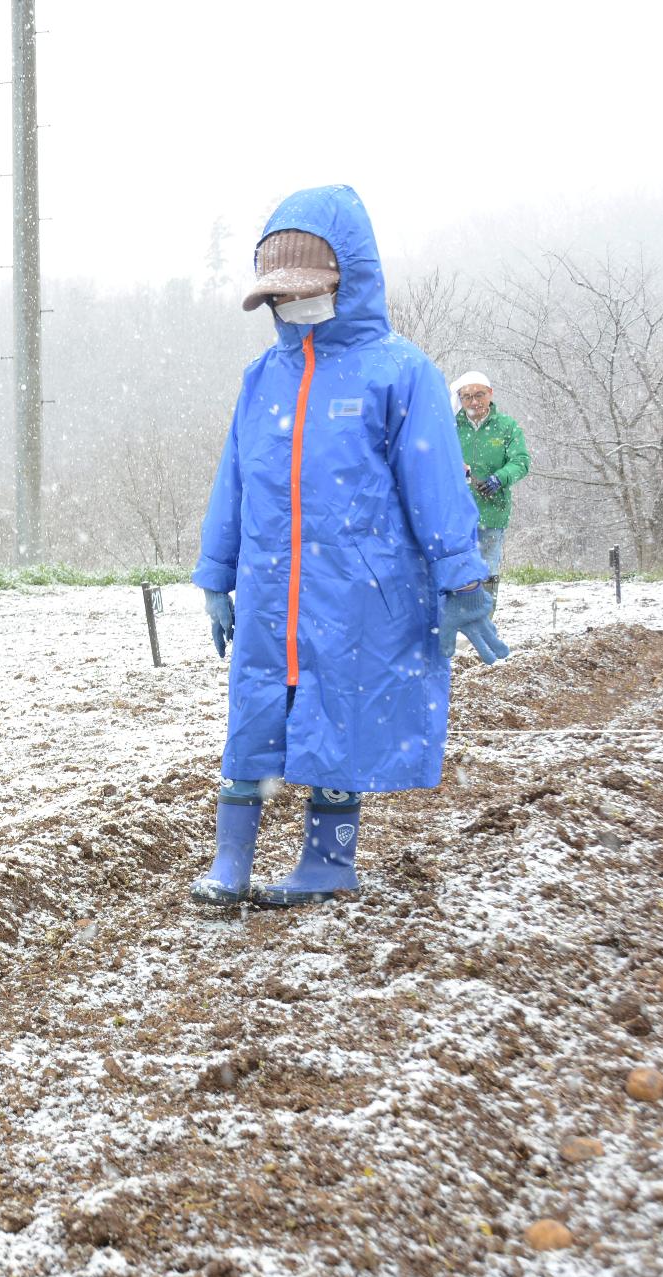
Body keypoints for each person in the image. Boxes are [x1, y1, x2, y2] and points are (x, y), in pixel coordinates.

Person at [188, 185, 508, 909]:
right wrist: (216, 572)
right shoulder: (264, 377)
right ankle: (230, 862)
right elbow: (234, 480)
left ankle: (328, 861)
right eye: (280, 296)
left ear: (349, 278)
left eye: (306, 291)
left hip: (359, 590)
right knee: (255, 716)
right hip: (272, 587)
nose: (292, 306)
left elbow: (434, 483)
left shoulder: (401, 373)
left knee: (342, 718)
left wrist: (462, 575)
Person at [450, 371, 531, 607]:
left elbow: (521, 461)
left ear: (490, 394)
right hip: (456, 513)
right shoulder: (451, 427)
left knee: (487, 567)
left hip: (492, 511)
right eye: (467, 397)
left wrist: (500, 478)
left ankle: (483, 617)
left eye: (479, 395)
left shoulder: (506, 427)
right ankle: (458, 618)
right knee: (457, 567)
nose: (474, 401)